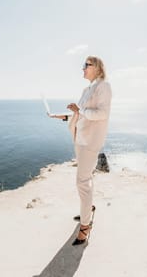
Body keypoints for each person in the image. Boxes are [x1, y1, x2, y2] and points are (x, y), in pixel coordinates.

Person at [51, 56, 112, 245]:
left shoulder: (104, 86)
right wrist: (62, 116)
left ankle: (85, 226)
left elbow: (102, 113)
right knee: (86, 179)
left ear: (98, 67)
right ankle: (89, 209)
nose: (83, 68)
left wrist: (80, 110)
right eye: (83, 65)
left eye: (86, 65)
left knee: (82, 181)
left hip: (89, 142)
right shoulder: (87, 89)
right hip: (80, 138)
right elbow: (81, 113)